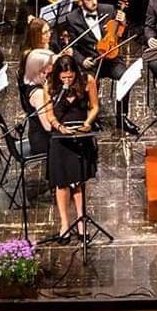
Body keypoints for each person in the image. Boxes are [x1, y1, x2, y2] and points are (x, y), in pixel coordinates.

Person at [61, 0, 133, 134]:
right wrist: (82, 60)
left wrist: (123, 23)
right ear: (80, 1)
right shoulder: (72, 19)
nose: (94, 2)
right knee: (88, 84)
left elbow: (119, 35)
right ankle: (92, 117)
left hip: (111, 58)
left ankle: (122, 117)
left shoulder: (109, 10)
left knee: (126, 78)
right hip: (91, 61)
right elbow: (72, 47)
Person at [45, 55, 99, 243]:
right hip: (60, 138)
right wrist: (59, 127)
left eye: (70, 77)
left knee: (78, 181)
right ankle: (65, 224)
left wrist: (88, 122)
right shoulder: (50, 85)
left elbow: (95, 107)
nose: (67, 80)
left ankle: (81, 222)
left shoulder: (87, 80)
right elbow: (50, 115)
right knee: (62, 184)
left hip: (80, 135)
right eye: (63, 78)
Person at [20, 49, 56, 155]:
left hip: (40, 134)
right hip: (43, 141)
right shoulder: (38, 94)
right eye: (49, 64)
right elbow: (48, 126)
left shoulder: (30, 80)